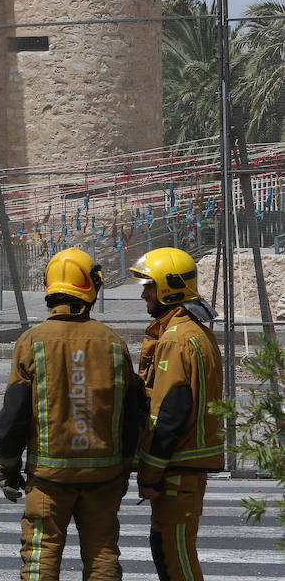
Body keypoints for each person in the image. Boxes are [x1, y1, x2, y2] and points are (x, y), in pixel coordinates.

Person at [0, 248, 146, 580]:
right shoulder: (113, 343)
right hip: (103, 476)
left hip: (49, 480)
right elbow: (132, 412)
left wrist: (7, 468)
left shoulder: (31, 342)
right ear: (90, 288)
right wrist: (125, 466)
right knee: (103, 554)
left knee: (41, 554)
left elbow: (13, 415)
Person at [130, 247, 224, 581]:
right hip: (185, 465)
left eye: (149, 286)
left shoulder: (176, 338)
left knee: (175, 557)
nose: (144, 294)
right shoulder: (195, 332)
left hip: (177, 467)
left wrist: (149, 475)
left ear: (169, 287)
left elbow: (168, 413)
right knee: (172, 549)